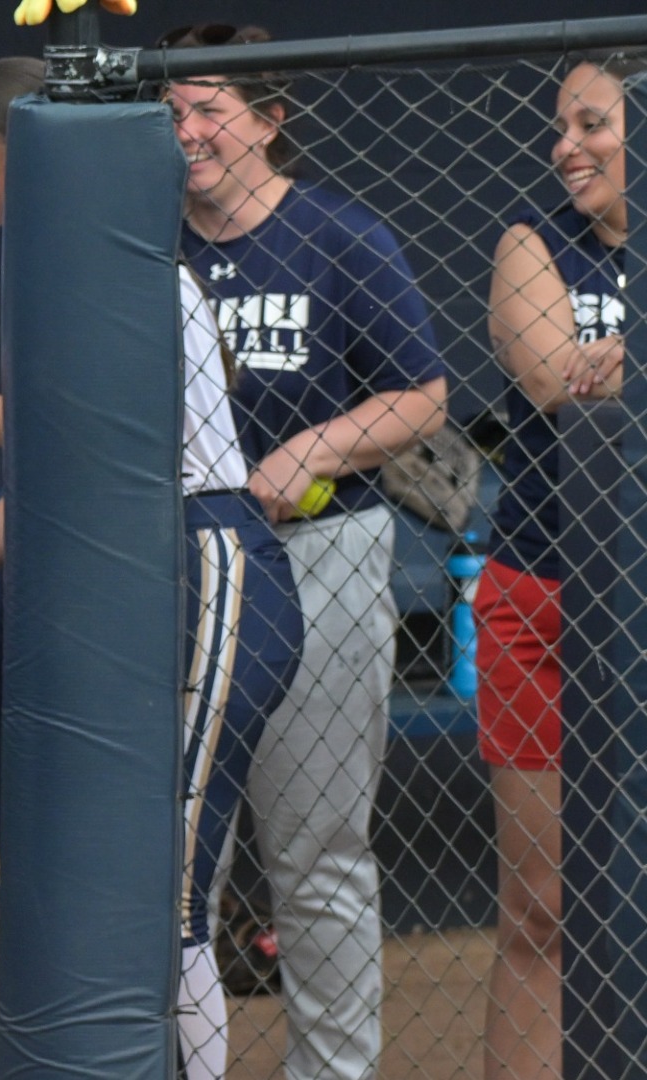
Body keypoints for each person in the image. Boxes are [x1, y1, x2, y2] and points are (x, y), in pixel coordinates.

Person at [0, 54, 302, 1080]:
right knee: (130, 886)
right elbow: (55, 484)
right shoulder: (37, 267)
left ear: (25, 154)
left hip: (210, 562)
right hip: (140, 564)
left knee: (165, 892)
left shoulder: (124, 277)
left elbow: (95, 456)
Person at [162, 24, 449, 1080]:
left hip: (323, 550)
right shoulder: (151, 246)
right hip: (184, 567)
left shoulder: (337, 236)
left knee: (316, 850)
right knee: (187, 850)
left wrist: (311, 447)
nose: (186, 133)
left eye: (209, 113)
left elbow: (426, 395)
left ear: (270, 124)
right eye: (171, 113)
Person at [480, 53, 638, 1080]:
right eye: (560, 127)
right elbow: (550, 378)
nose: (566, 147)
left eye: (593, 125)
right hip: (544, 594)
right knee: (542, 908)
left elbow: (599, 372)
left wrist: (620, 357)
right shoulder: (534, 242)